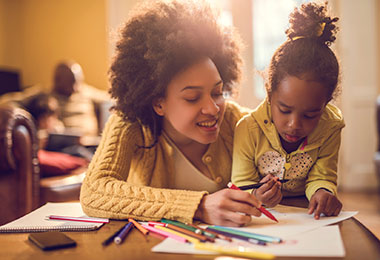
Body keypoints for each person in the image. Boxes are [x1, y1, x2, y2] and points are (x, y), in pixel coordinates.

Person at [80, 0, 262, 226]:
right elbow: (95, 192)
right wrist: (199, 207)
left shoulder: (236, 121)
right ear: (158, 103)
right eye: (192, 98)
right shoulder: (133, 124)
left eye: (217, 92)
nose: (213, 108)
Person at [231, 2, 344, 220]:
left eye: (310, 114)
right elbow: (241, 184)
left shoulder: (331, 127)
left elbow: (323, 175)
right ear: (269, 94)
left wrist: (323, 191)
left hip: (306, 214)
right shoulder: (247, 128)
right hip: (263, 216)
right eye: (284, 110)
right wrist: (256, 194)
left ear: (326, 103)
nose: (294, 124)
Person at [23, 93, 88, 177]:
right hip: (50, 154)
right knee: (78, 152)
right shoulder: (31, 130)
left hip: (64, 151)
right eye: (44, 118)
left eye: (51, 117)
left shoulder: (57, 125)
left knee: (79, 150)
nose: (48, 121)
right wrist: (39, 144)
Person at [51, 60, 110, 138]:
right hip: (66, 143)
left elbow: (110, 98)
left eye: (77, 82)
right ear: (58, 80)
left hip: (91, 141)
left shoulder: (86, 92)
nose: (75, 87)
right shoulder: (49, 98)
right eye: (70, 82)